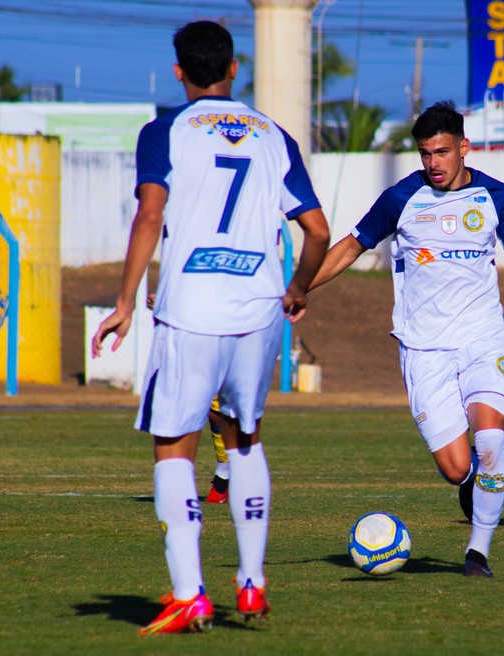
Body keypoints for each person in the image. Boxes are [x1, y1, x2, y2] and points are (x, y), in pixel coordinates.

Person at [91, 21, 330, 634]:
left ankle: (189, 594)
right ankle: (251, 583)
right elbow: (320, 232)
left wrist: (124, 300)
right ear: (233, 67)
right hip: (257, 311)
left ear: (179, 71)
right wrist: (297, 287)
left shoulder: (164, 130)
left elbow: (150, 210)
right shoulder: (274, 135)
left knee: (175, 446)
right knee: (245, 437)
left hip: (192, 309)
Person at [300, 100, 504, 578]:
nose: (433, 163)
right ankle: (473, 479)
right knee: (457, 468)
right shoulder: (401, 199)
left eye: (442, 152)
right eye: (425, 154)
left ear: (464, 148)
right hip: (424, 347)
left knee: (491, 438)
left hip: (484, 338)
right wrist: (297, 286)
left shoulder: (496, 196)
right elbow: (351, 246)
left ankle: (478, 553)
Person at [147, 292, 230, 503]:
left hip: (226, 333)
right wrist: (164, 302)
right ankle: (177, 481)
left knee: (219, 413)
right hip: (189, 339)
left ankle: (226, 472)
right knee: (184, 407)